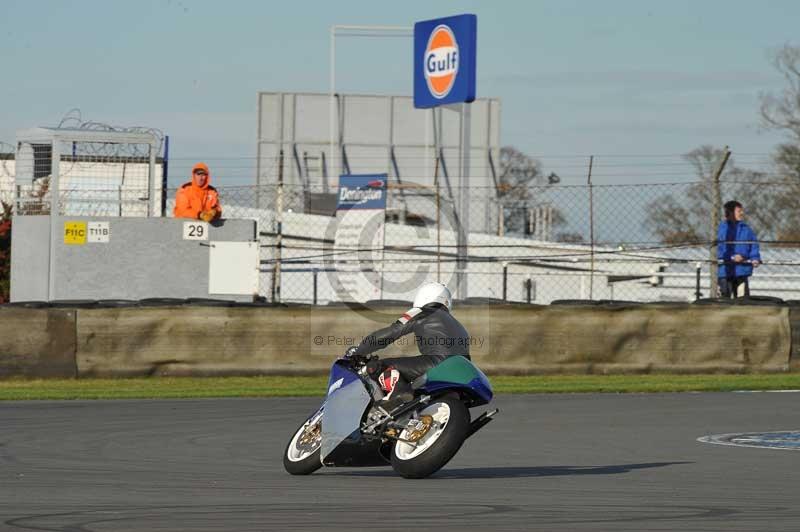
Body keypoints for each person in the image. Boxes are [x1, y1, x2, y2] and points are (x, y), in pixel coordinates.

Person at [344, 282, 471, 407]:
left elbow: (391, 333)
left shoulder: (421, 311)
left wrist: (360, 351)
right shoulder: (461, 328)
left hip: (436, 363)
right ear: (447, 301)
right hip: (461, 372)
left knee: (377, 366)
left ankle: (398, 392)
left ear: (423, 297)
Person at [717, 200, 761, 298]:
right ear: (730, 212)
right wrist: (732, 257)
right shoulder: (722, 229)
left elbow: (753, 245)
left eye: (742, 211)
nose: (742, 213)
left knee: (742, 299)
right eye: (739, 211)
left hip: (742, 270)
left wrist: (755, 258)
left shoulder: (746, 229)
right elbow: (718, 249)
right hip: (725, 270)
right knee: (725, 299)